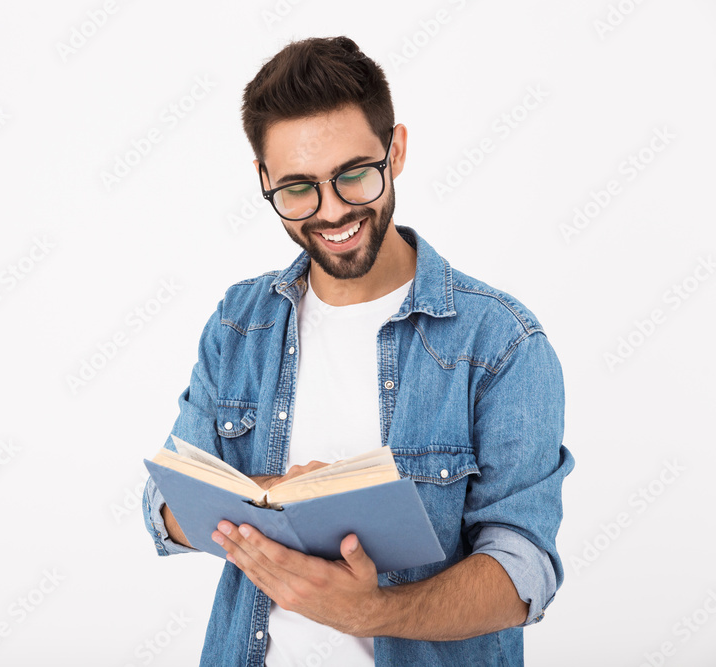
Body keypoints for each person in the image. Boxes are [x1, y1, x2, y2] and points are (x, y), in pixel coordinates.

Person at [141, 35, 574, 666]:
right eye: (296, 189)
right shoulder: (239, 323)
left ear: (395, 150)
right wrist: (274, 498)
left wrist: (371, 613)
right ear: (264, 179)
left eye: (355, 176)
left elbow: (523, 569)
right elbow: (164, 507)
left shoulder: (502, 343)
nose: (332, 211)